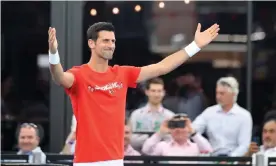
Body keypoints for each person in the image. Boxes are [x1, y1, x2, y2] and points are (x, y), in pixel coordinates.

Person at [48, 22, 220, 166]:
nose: (111, 45)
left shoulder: (122, 73)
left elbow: (162, 67)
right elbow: (59, 77)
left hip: (115, 159)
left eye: (113, 41)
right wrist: (53, 54)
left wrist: (195, 46)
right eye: (105, 40)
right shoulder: (79, 74)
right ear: (91, 43)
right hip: (86, 160)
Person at [192, 76, 252, 156]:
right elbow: (193, 129)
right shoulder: (209, 112)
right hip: (211, 158)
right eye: (217, 93)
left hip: (235, 160)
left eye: (222, 93)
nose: (218, 97)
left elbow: (244, 145)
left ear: (233, 94)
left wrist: (229, 160)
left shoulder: (244, 116)